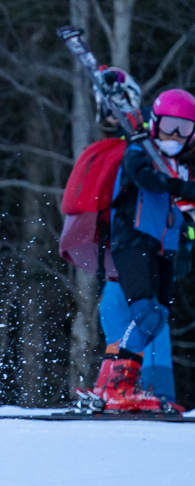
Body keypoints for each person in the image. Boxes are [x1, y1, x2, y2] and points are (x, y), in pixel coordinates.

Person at [94, 87, 195, 411]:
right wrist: (179, 185)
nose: (175, 135)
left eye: (185, 129)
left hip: (163, 252)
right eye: (169, 126)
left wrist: (187, 245)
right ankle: (117, 387)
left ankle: (108, 386)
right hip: (132, 242)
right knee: (145, 313)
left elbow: (186, 215)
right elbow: (145, 179)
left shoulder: (185, 169)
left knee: (157, 318)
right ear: (155, 123)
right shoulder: (140, 150)